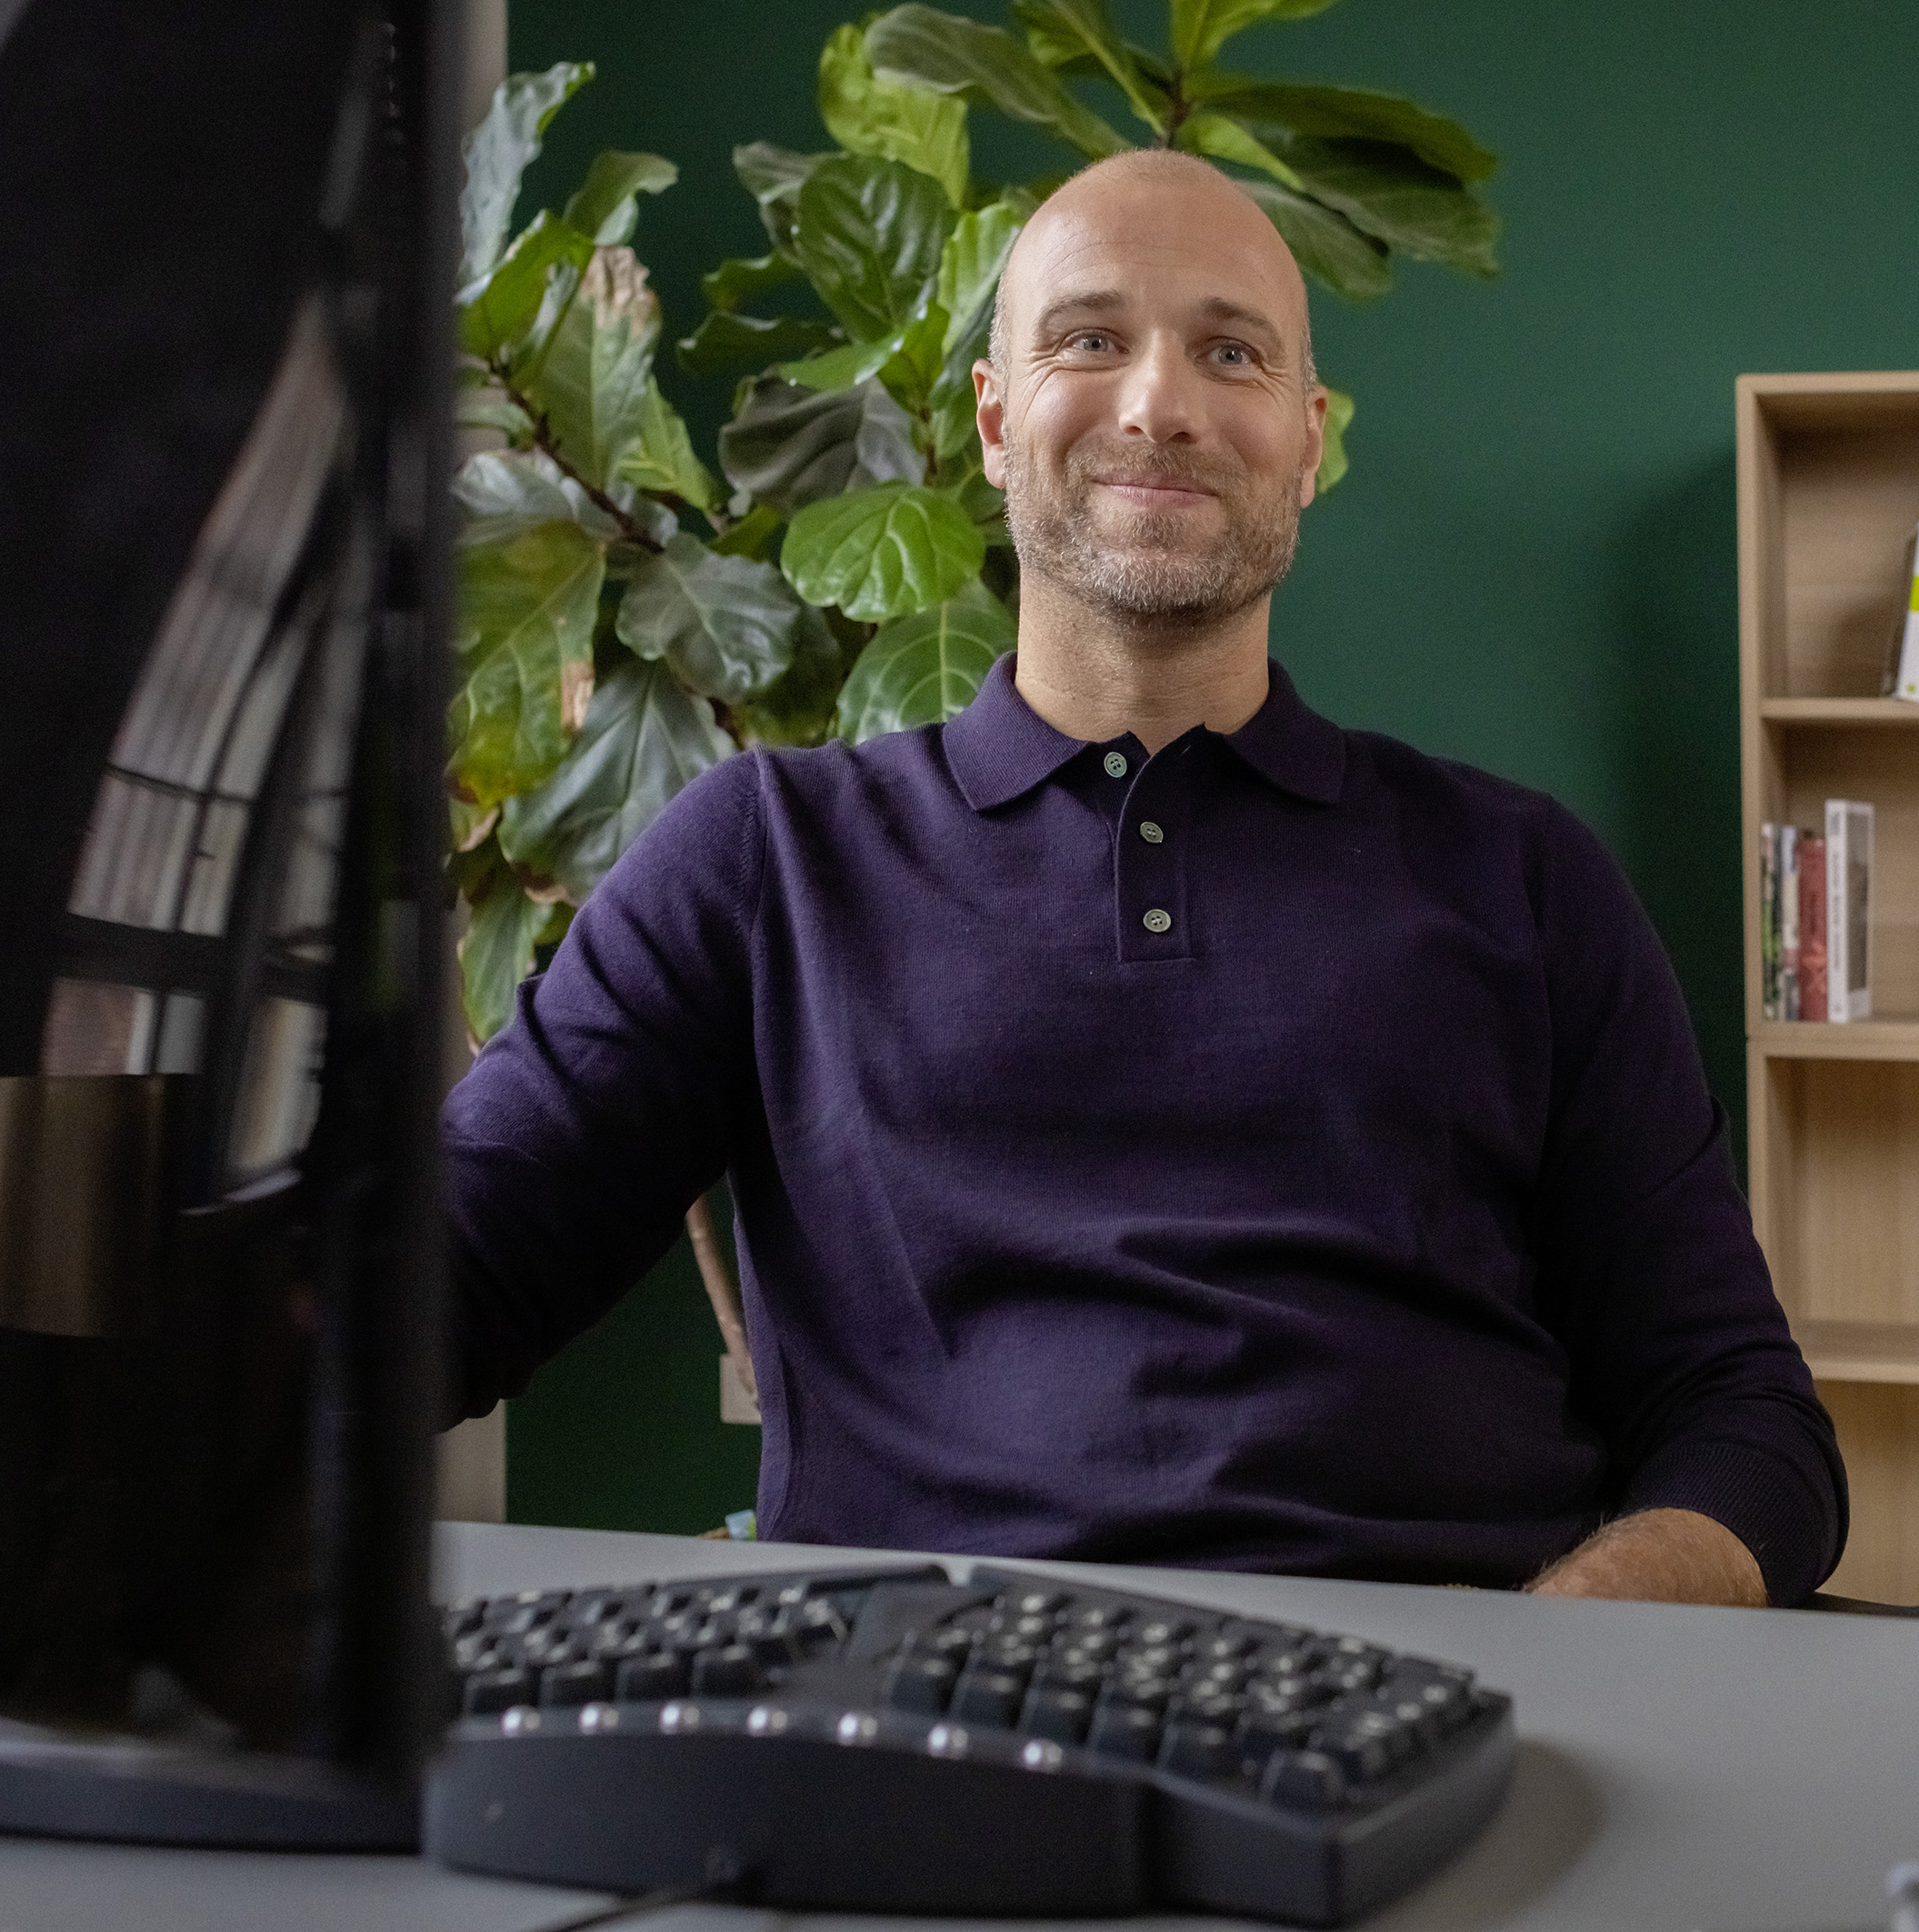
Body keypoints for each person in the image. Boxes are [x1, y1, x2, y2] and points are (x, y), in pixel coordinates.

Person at [444, 150, 1844, 1607]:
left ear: (1306, 442)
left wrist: (1569, 1653)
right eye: (1090, 339)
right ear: (994, 423)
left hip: (1451, 1722)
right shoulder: (766, 857)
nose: (1159, 404)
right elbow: (460, 1262)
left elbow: (1745, 1423)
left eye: (1228, 351)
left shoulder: (1525, 875)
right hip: (942, 1732)